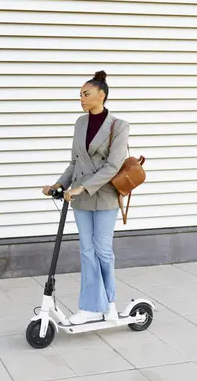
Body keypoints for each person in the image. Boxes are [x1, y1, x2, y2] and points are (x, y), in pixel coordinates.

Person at [42, 70, 129, 325]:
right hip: (78, 198)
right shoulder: (80, 123)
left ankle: (109, 304)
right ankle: (91, 307)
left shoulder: (118, 126)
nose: (81, 98)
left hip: (104, 197)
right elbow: (75, 162)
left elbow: (113, 166)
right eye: (80, 94)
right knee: (87, 251)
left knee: (103, 251)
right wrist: (59, 184)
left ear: (101, 95)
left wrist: (82, 187)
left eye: (86, 93)